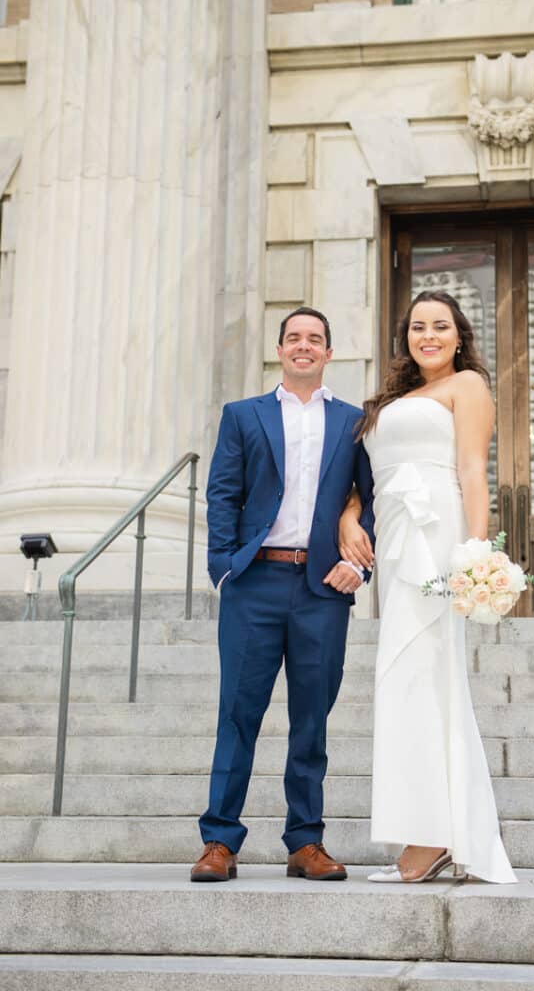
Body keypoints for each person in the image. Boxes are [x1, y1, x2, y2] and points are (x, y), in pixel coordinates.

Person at [338, 290, 516, 884]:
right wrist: (350, 510)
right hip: (393, 537)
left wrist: (475, 550)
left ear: (459, 335)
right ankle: (427, 829)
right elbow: (366, 471)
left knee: (425, 677)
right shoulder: (392, 399)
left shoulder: (468, 387)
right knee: (404, 681)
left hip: (437, 534)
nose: (429, 335)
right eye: (418, 326)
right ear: (407, 337)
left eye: (441, 326)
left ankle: (434, 837)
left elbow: (471, 469)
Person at [191, 307, 374, 883]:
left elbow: (372, 501)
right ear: (279, 349)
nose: (304, 346)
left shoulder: (355, 422)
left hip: (322, 587)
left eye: (315, 339)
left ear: (328, 352)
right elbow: (223, 494)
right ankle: (220, 841)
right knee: (237, 716)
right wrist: (223, 568)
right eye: (294, 337)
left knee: (311, 720)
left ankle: (305, 842)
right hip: (255, 584)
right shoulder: (244, 416)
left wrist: (358, 567)